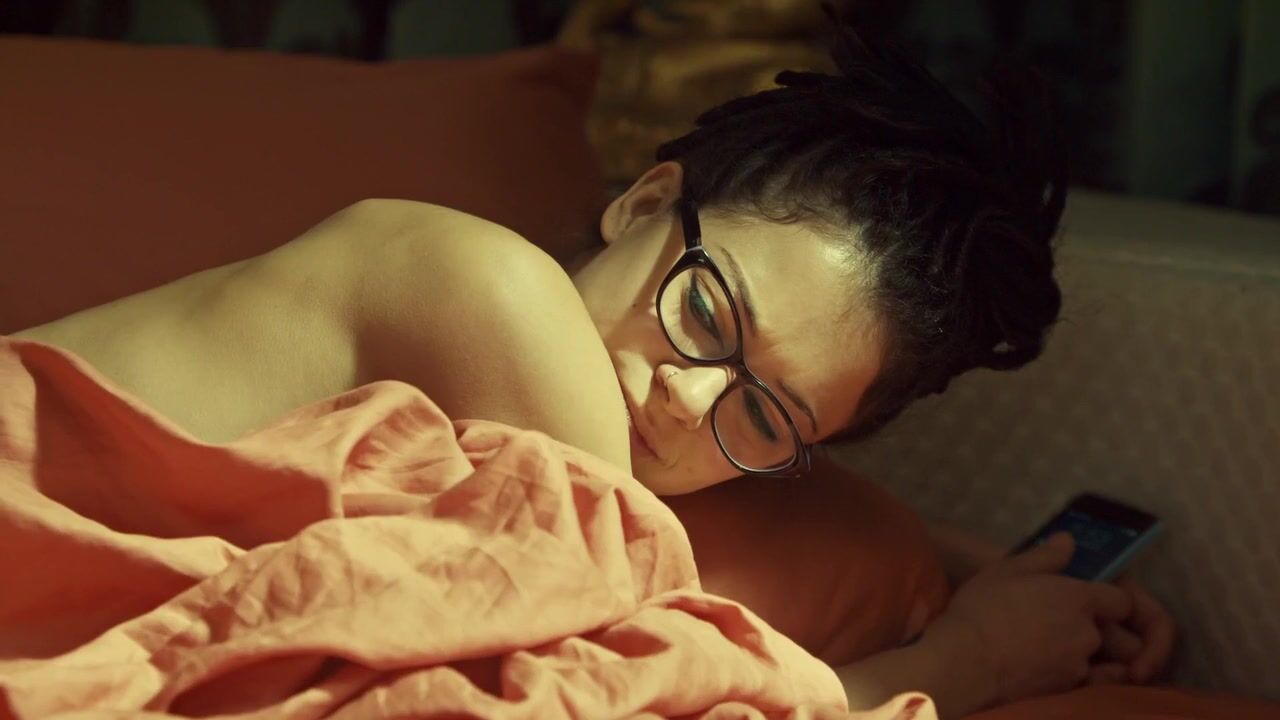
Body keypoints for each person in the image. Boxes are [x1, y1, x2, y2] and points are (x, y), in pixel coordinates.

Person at [14, 22, 1173, 718]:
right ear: (644, 201)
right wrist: (963, 662)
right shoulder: (492, 290)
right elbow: (616, 696)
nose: (687, 394)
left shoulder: (538, 448)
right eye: (704, 309)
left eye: (763, 415)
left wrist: (951, 559)